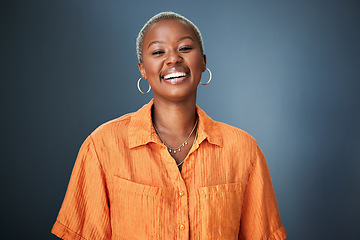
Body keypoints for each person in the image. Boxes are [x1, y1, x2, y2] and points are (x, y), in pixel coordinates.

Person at [52, 11, 287, 240]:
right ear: (142, 69)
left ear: (203, 62)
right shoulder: (102, 146)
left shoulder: (243, 150)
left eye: (184, 48)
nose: (173, 58)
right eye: (157, 51)